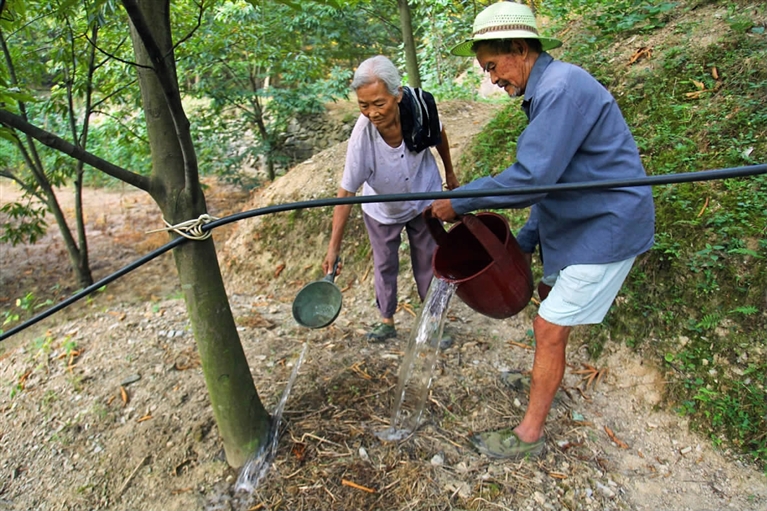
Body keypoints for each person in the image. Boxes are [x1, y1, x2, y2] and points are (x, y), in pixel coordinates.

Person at [430, 2, 655, 459]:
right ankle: (542, 375)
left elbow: (533, 178)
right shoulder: (548, 90)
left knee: (548, 327)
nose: (493, 79)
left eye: (493, 66)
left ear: (518, 47)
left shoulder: (561, 90)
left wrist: (462, 199)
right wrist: (525, 242)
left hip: (608, 226)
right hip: (580, 221)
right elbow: (561, 177)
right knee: (550, 300)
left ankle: (529, 435)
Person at [323, 55, 458, 342]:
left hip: (423, 198)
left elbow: (440, 132)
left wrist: (450, 172)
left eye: (379, 103)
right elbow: (346, 191)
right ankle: (386, 319)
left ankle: (432, 322)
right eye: (363, 105)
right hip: (381, 209)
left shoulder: (420, 108)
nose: (372, 113)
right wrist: (333, 247)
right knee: (385, 264)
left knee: (430, 260)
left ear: (397, 94)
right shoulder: (362, 137)